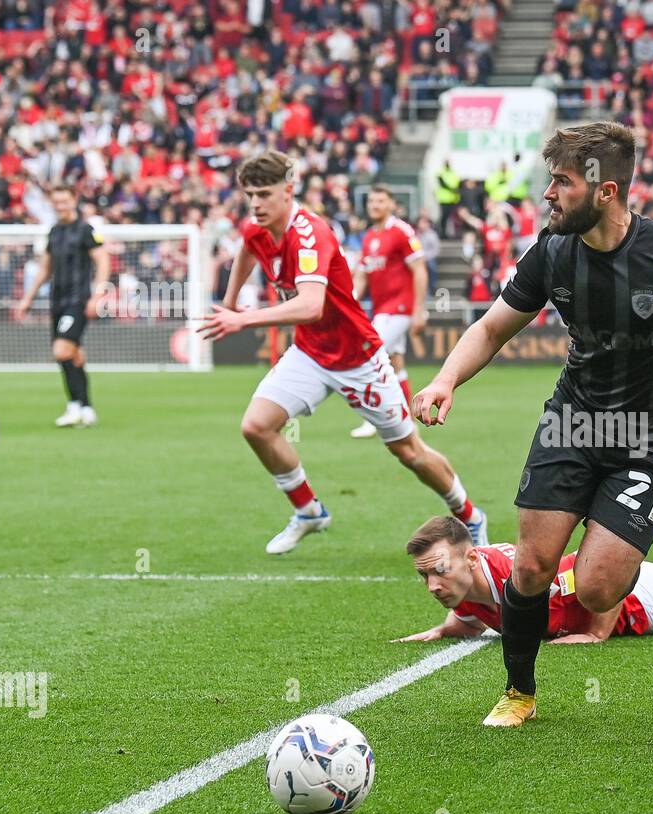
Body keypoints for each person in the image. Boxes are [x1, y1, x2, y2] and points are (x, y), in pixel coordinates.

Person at [412, 122, 653, 726]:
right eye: (551, 180)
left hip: (648, 442)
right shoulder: (551, 251)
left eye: (562, 182)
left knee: (600, 589)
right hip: (572, 425)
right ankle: (519, 692)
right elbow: (492, 328)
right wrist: (445, 379)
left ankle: (626, 565)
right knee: (530, 566)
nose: (548, 193)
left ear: (606, 191)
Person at [196, 151, 488, 554]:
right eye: (250, 195)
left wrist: (243, 319)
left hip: (359, 358)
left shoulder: (311, 234)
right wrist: (229, 302)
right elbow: (247, 249)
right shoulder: (256, 228)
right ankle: (309, 511)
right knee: (256, 426)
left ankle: (471, 516)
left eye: (264, 193)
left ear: (289, 190)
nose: (256, 204)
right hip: (310, 353)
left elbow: (311, 305)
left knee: (408, 451)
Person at [397, 414, 653, 650]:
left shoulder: (516, 573)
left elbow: (594, 574)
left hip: (642, 599)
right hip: (629, 586)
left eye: (439, 570)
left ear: (471, 557)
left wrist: (595, 632)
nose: (433, 584)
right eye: (426, 575)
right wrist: (446, 628)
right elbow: (473, 610)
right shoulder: (468, 583)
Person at [14, 184, 110, 428]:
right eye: (56, 202)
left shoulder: (86, 230)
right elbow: (45, 270)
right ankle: (86, 409)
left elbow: (103, 260)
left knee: (61, 350)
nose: (60, 206)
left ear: (74, 199)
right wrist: (28, 298)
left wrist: (98, 295)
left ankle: (74, 406)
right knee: (73, 355)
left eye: (64, 201)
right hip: (57, 302)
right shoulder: (54, 232)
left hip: (78, 301)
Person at [350, 185, 427, 437]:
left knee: (368, 356)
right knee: (394, 363)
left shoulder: (401, 232)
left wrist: (418, 310)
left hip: (400, 308)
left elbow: (419, 269)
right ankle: (408, 420)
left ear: (392, 204)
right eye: (371, 201)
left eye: (381, 201)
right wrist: (349, 302)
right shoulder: (370, 236)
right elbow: (362, 275)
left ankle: (376, 417)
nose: (375, 205)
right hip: (383, 308)